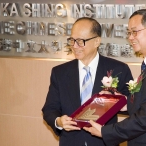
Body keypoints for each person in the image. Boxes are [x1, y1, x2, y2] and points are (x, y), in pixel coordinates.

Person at [84, 9, 146, 146]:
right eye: (129, 33)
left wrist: (106, 132)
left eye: (135, 32)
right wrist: (124, 102)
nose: (130, 37)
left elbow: (145, 119)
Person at [42, 17, 133, 146]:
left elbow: (133, 106)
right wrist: (59, 122)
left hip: (103, 142)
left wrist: (117, 102)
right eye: (72, 40)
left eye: (80, 41)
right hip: (71, 142)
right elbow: (50, 109)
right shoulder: (60, 72)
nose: (74, 46)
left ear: (97, 41)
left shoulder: (118, 69)